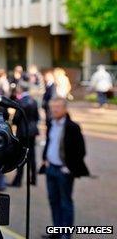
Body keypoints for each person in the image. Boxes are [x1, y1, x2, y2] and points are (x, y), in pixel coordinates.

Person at [41, 97, 89, 239]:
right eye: (52, 107)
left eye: (57, 107)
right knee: (53, 201)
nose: (54, 110)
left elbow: (81, 151)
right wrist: (45, 159)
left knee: (65, 202)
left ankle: (66, 235)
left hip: (64, 171)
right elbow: (50, 142)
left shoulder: (72, 127)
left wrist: (68, 167)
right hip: (50, 169)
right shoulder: (51, 123)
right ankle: (57, 232)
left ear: (65, 109)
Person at [9, 83, 40, 186]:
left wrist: (13, 122)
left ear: (21, 89)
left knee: (21, 156)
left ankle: (18, 181)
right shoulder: (34, 101)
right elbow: (37, 117)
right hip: (32, 131)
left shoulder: (20, 102)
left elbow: (16, 119)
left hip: (22, 132)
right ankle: (34, 179)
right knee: (32, 156)